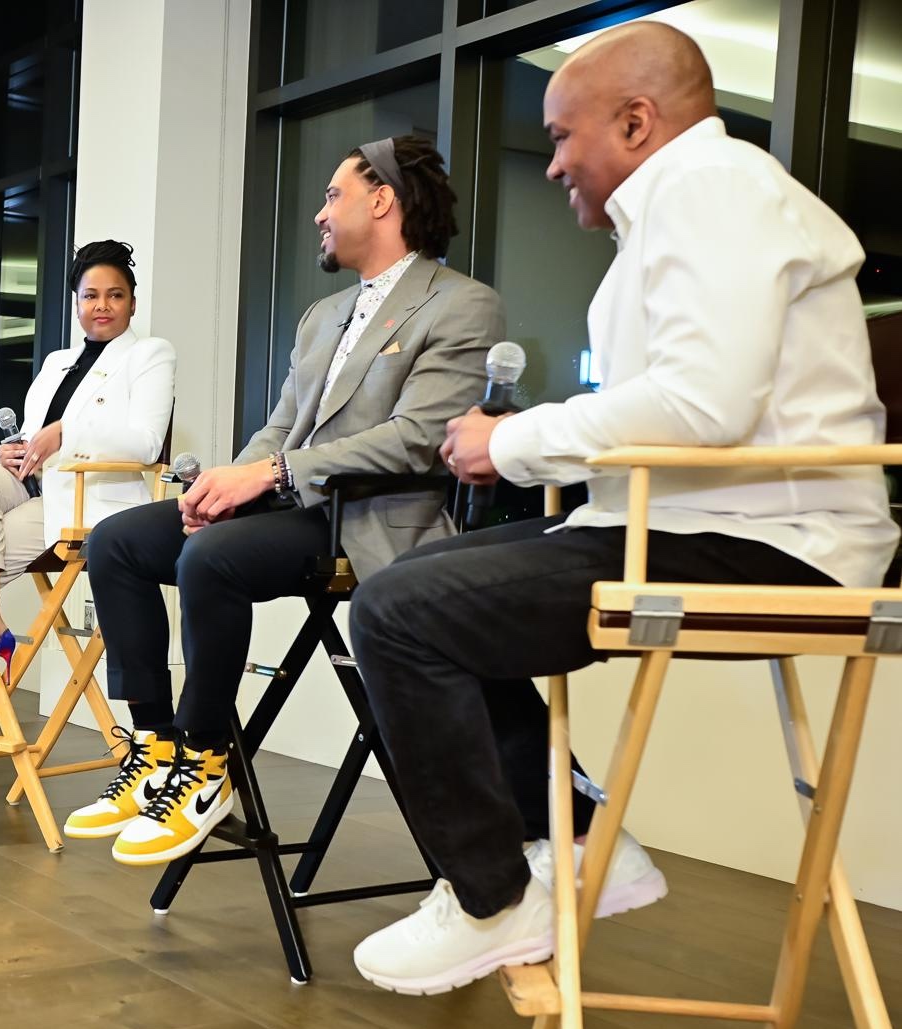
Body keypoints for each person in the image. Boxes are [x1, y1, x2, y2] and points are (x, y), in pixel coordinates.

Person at [347, 22, 900, 997]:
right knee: (409, 588)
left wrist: (511, 443)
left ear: (638, 122)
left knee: (400, 613)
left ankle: (491, 898)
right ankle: (584, 838)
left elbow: (702, 403)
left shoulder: (711, 189)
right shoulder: (683, 208)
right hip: (695, 521)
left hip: (770, 544)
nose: (553, 162)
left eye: (563, 136)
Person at [64, 135, 505, 866]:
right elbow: (281, 424)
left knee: (212, 557)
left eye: (332, 196)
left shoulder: (460, 305)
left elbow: (415, 439)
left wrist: (265, 476)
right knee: (118, 541)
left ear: (381, 201)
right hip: (290, 504)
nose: (317, 215)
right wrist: (222, 486)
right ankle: (155, 746)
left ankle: (207, 766)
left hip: (366, 519)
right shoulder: (322, 313)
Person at [0, 240, 176, 731]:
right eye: (91, 295)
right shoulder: (56, 362)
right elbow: (33, 436)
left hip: (87, 502)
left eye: (115, 296)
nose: (102, 306)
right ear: (76, 303)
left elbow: (146, 443)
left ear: (132, 303)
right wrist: (7, 454)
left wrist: (65, 433)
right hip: (35, 487)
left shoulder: (150, 354)